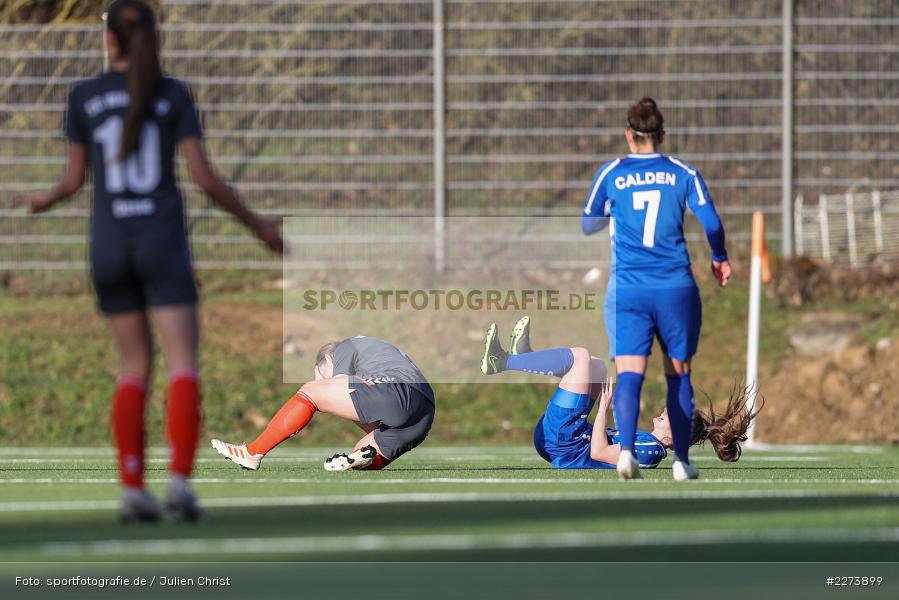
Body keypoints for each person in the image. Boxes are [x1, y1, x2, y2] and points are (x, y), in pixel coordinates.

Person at [13, 0, 283, 522]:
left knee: (133, 366)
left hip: (110, 245)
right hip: (160, 240)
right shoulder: (173, 94)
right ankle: (179, 483)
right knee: (182, 362)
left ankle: (132, 489)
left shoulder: (83, 97)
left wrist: (41, 201)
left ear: (108, 40)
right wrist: (260, 227)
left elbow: (72, 182)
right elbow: (204, 179)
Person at [579, 97, 733, 480]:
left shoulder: (612, 172)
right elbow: (711, 223)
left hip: (629, 287)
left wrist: (616, 211)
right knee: (678, 374)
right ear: (662, 135)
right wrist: (719, 257)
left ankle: (627, 453)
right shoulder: (683, 172)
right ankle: (681, 461)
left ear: (629, 136)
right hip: (673, 286)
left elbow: (588, 223)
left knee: (630, 373)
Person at [482, 317, 761, 470]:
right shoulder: (649, 442)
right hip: (564, 438)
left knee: (579, 357)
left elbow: (601, 451)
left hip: (563, 444)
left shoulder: (651, 451)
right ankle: (526, 357)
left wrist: (603, 408)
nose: (666, 410)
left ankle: (504, 362)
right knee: (598, 368)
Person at [212, 336, 436, 472]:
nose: (324, 382)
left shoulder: (344, 348)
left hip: (397, 390)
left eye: (322, 374)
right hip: (424, 412)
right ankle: (362, 459)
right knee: (360, 454)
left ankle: (252, 452)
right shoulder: (374, 354)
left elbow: (338, 382)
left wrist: (324, 389)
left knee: (310, 391)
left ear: (328, 360)